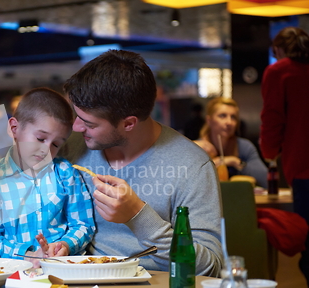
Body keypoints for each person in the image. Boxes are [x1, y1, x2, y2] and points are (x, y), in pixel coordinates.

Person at [61, 50, 222, 276]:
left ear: (129, 123)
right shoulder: (71, 147)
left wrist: (138, 216)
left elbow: (210, 267)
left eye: (89, 123)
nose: (76, 127)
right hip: (75, 286)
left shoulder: (192, 166)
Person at [0, 87, 95, 259]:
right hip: (14, 268)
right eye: (40, 138)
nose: (46, 149)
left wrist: (65, 245)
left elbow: (83, 224)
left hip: (60, 266)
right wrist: (29, 255)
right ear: (14, 128)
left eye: (56, 144)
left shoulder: (66, 173)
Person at [259, 26, 309, 286]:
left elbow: (272, 118)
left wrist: (269, 152)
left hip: (304, 170)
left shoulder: (279, 71)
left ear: (277, 50)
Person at [194, 97, 268, 188]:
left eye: (233, 117)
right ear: (209, 121)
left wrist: (234, 161)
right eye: (222, 116)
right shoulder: (197, 148)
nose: (229, 122)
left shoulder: (244, 147)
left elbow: (265, 178)